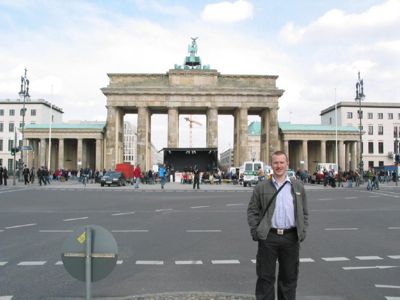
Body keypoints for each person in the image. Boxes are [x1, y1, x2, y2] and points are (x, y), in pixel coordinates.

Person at [247, 150, 309, 300]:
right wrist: (257, 231)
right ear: (271, 165)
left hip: (291, 237)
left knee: (289, 278)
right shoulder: (261, 187)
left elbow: (304, 212)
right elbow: (252, 210)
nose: (279, 166)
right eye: (276, 163)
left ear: (287, 164)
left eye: (282, 162)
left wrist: (303, 230)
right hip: (269, 237)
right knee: (265, 278)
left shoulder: (298, 187)